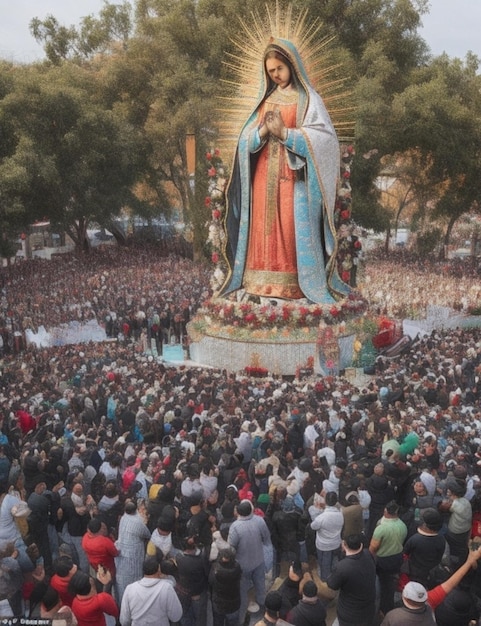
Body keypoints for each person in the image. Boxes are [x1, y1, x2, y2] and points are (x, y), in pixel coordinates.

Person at [221, 37, 350, 304]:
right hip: (263, 177)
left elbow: (325, 140)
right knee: (262, 229)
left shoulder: (308, 101)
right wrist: (264, 132)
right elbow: (245, 142)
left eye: (279, 68)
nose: (275, 75)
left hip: (293, 180)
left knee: (291, 231)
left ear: (291, 64)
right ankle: (258, 283)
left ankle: (294, 286)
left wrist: (286, 134)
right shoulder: (265, 101)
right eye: (270, 71)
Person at [228, 499, 272, 622]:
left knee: (243, 591)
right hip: (258, 560)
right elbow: (267, 539)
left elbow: (231, 548)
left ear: (239, 513)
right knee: (260, 585)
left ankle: (242, 618)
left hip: (242, 565)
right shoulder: (259, 521)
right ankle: (264, 610)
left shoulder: (235, 527)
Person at [326, 533, 376, 626]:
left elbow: (332, 584)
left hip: (350, 614)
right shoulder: (368, 554)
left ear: (344, 545)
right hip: (368, 609)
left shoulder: (343, 567)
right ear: (360, 545)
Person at [369, 500, 407, 617]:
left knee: (383, 584)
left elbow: (373, 547)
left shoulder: (381, 528)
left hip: (383, 560)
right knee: (390, 582)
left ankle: (384, 609)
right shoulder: (402, 525)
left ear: (385, 511)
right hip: (398, 557)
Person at [119, 555, 182, 626]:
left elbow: (124, 621)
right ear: (159, 570)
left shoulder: (130, 589)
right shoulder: (166, 587)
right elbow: (176, 616)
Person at [310, 491, 344, 582]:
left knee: (324, 567)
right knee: (334, 563)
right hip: (336, 543)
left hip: (324, 546)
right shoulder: (341, 514)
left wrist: (316, 511)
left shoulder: (322, 517)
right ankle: (336, 580)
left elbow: (313, 526)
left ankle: (326, 585)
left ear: (325, 501)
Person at [209, 546, 242, 626]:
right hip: (234, 604)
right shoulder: (237, 568)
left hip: (219, 604)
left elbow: (210, 582)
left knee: (218, 622)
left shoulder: (215, 570)